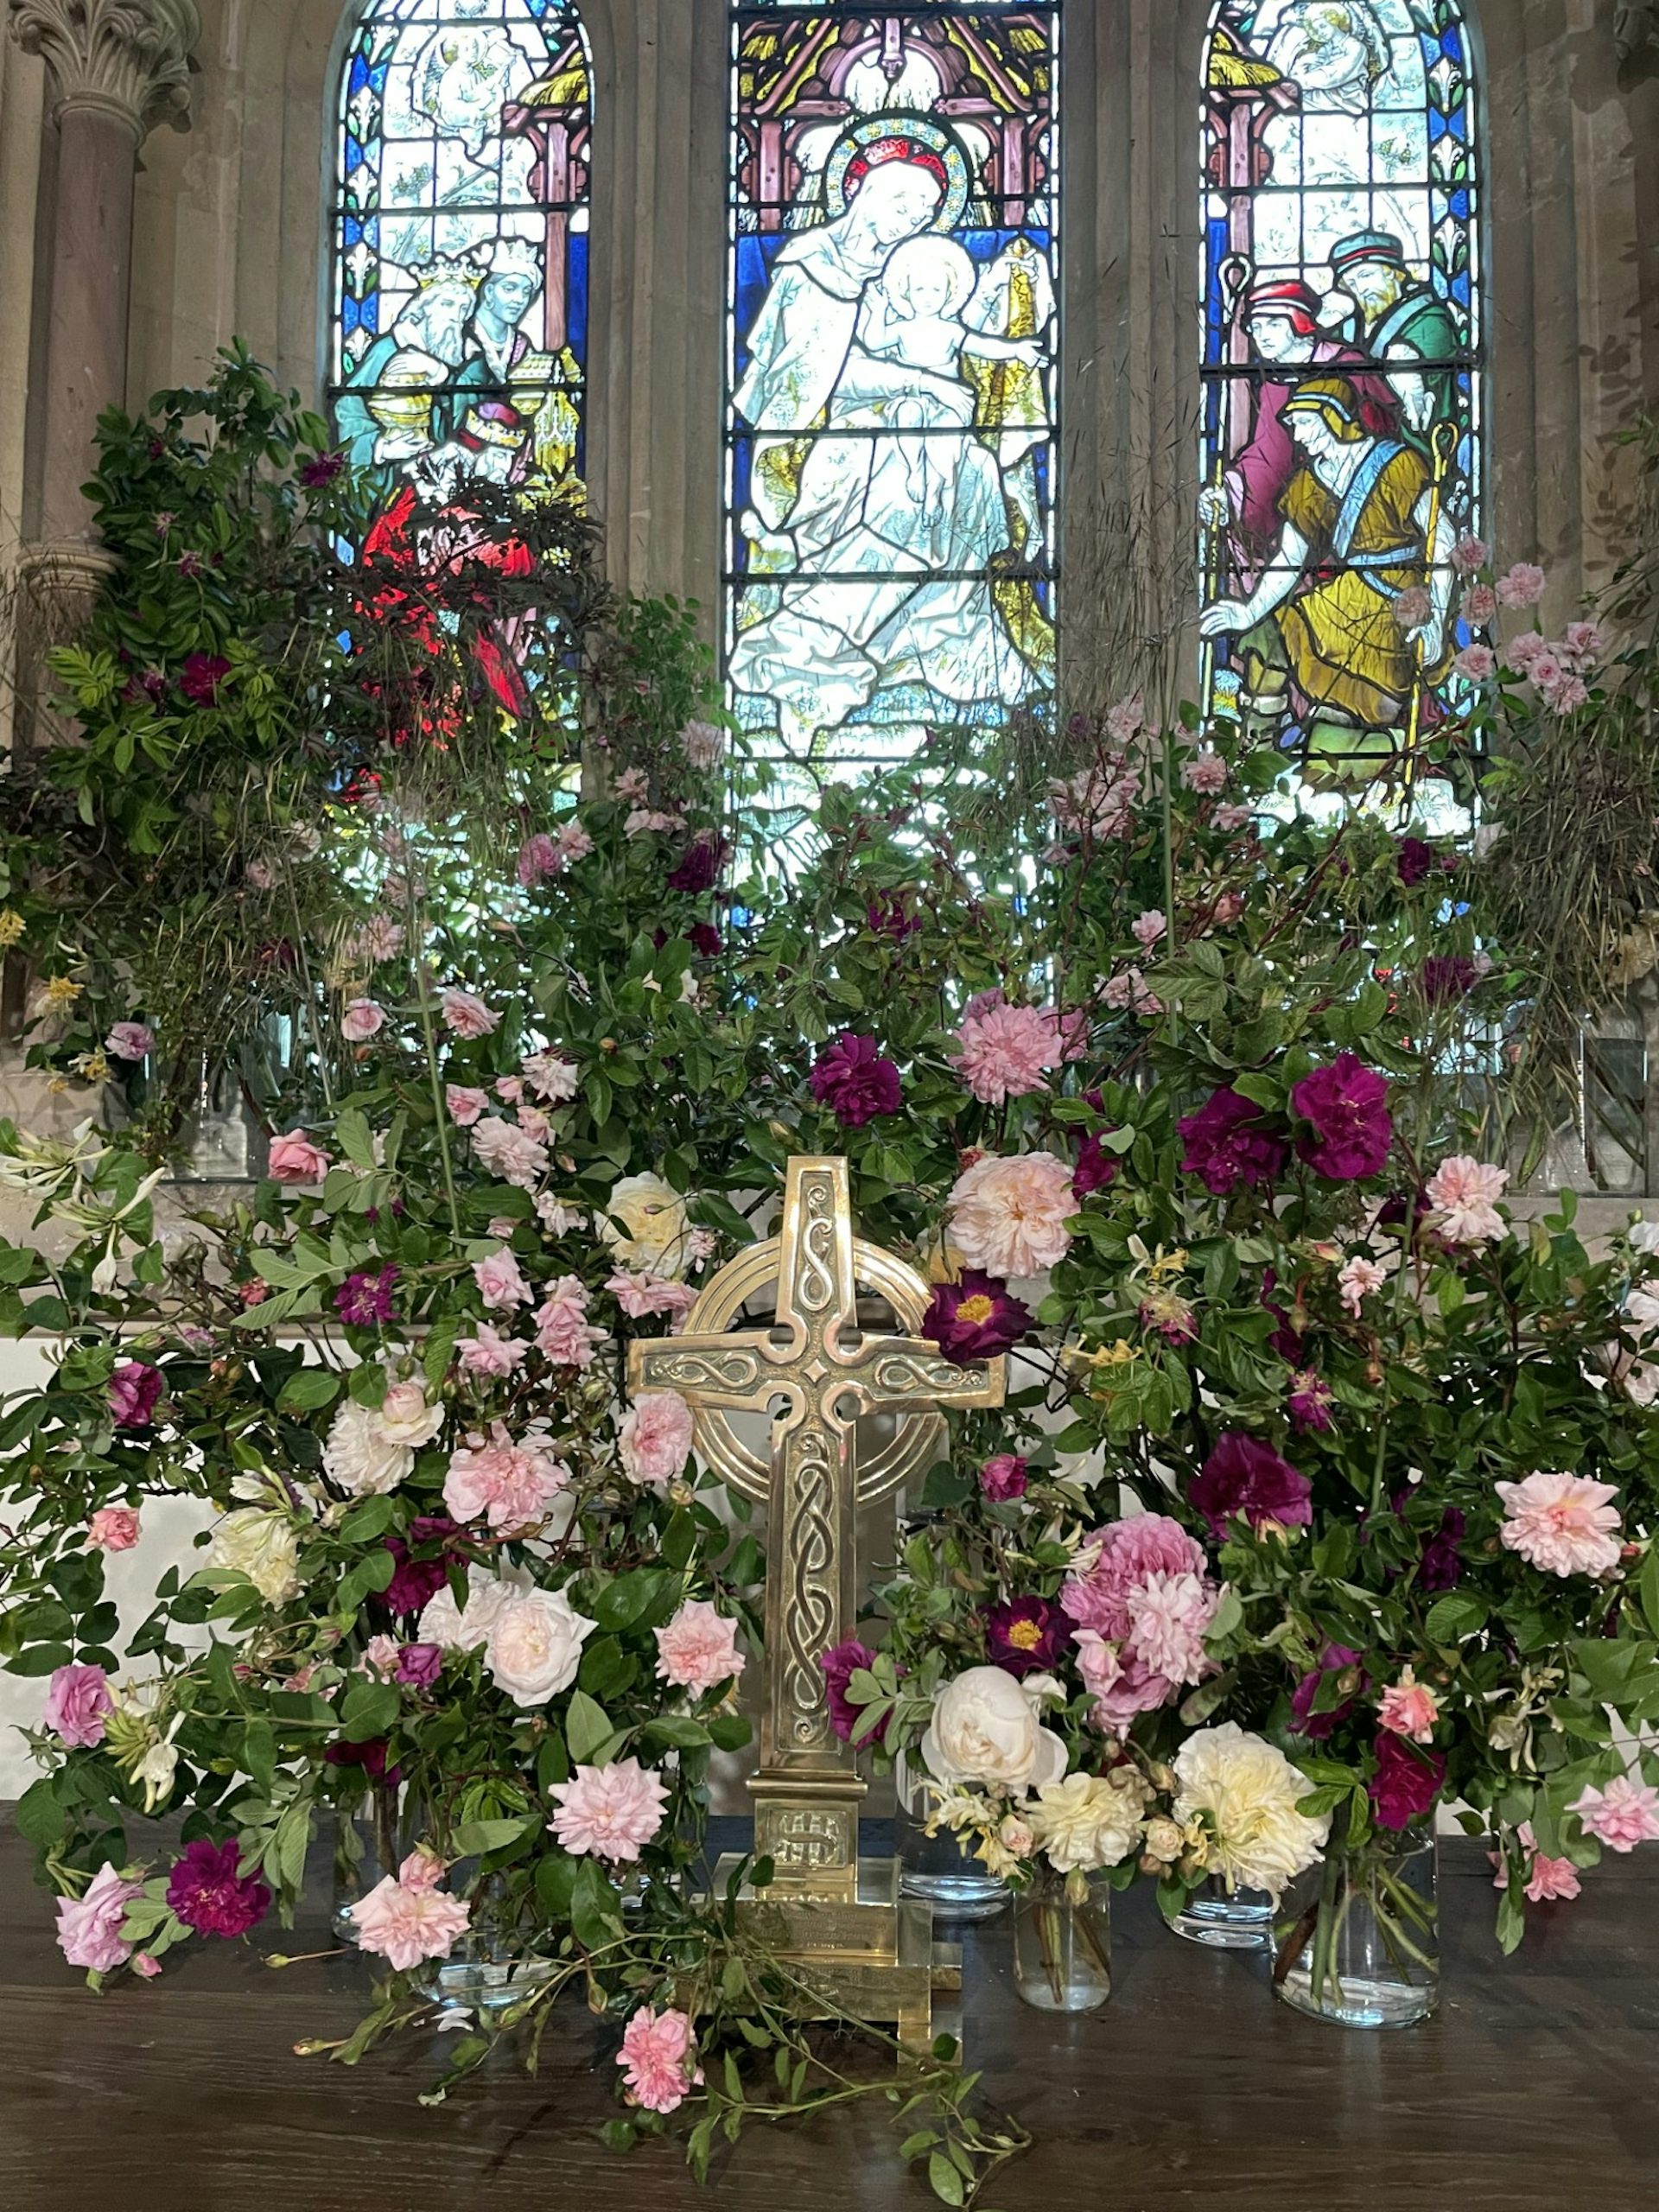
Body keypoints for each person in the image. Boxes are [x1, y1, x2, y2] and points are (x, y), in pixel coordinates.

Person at [728, 226, 1039, 749]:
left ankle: (919, 510)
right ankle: (814, 574)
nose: (929, 297)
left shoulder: (947, 330)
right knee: (896, 435)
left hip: (946, 426)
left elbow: (982, 347)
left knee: (960, 463)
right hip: (894, 428)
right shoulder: (848, 295)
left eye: (939, 289)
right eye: (917, 288)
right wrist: (911, 382)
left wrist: (1016, 349)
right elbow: (842, 371)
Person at [1198, 376, 1453, 779]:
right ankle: (1256, 762)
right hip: (1344, 597)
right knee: (1271, 636)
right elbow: (1289, 558)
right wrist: (1248, 612)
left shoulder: (1397, 464)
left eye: (1301, 422)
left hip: (1398, 601)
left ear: (1331, 418)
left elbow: (1443, 542)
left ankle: (1386, 762)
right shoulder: (1307, 485)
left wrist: (1435, 619)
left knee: (1370, 715)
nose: (1295, 433)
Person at [1200, 277, 1397, 573]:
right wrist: (1231, 496)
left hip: (1359, 505)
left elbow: (1384, 433)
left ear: (1299, 322)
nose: (1262, 336)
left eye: (1273, 324)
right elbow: (1269, 455)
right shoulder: (1274, 382)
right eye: (1256, 327)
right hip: (1300, 513)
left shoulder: (1347, 365)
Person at [332, 266, 478, 496]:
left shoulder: (463, 359)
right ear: (424, 307)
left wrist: (440, 373)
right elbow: (349, 410)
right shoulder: (387, 351)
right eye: (447, 304)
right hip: (391, 481)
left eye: (463, 308)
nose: (455, 316)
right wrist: (382, 449)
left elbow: (470, 416)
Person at [1327, 230, 1464, 428]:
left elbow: (1435, 386)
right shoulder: (1349, 328)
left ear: (1392, 272)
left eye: (1365, 275)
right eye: (1352, 284)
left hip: (1419, 439)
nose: (1361, 289)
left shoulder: (1428, 319)